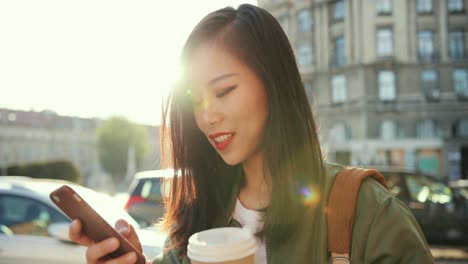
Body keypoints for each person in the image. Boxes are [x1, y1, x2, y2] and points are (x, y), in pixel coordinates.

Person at [69, 4, 435, 264]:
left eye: (225, 90)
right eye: (194, 100)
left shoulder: (368, 211)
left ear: (274, 83)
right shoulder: (199, 217)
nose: (206, 116)